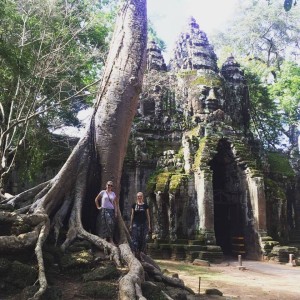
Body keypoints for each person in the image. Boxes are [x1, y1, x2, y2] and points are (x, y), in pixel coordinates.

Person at [130, 192, 151, 260]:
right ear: (137, 197)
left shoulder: (145, 206)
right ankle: (134, 253)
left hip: (143, 224)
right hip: (136, 224)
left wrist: (149, 225)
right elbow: (132, 215)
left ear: (142, 197)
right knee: (135, 238)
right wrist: (131, 224)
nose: (139, 197)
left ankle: (140, 254)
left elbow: (148, 215)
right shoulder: (134, 205)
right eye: (138, 196)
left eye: (140, 196)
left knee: (143, 239)